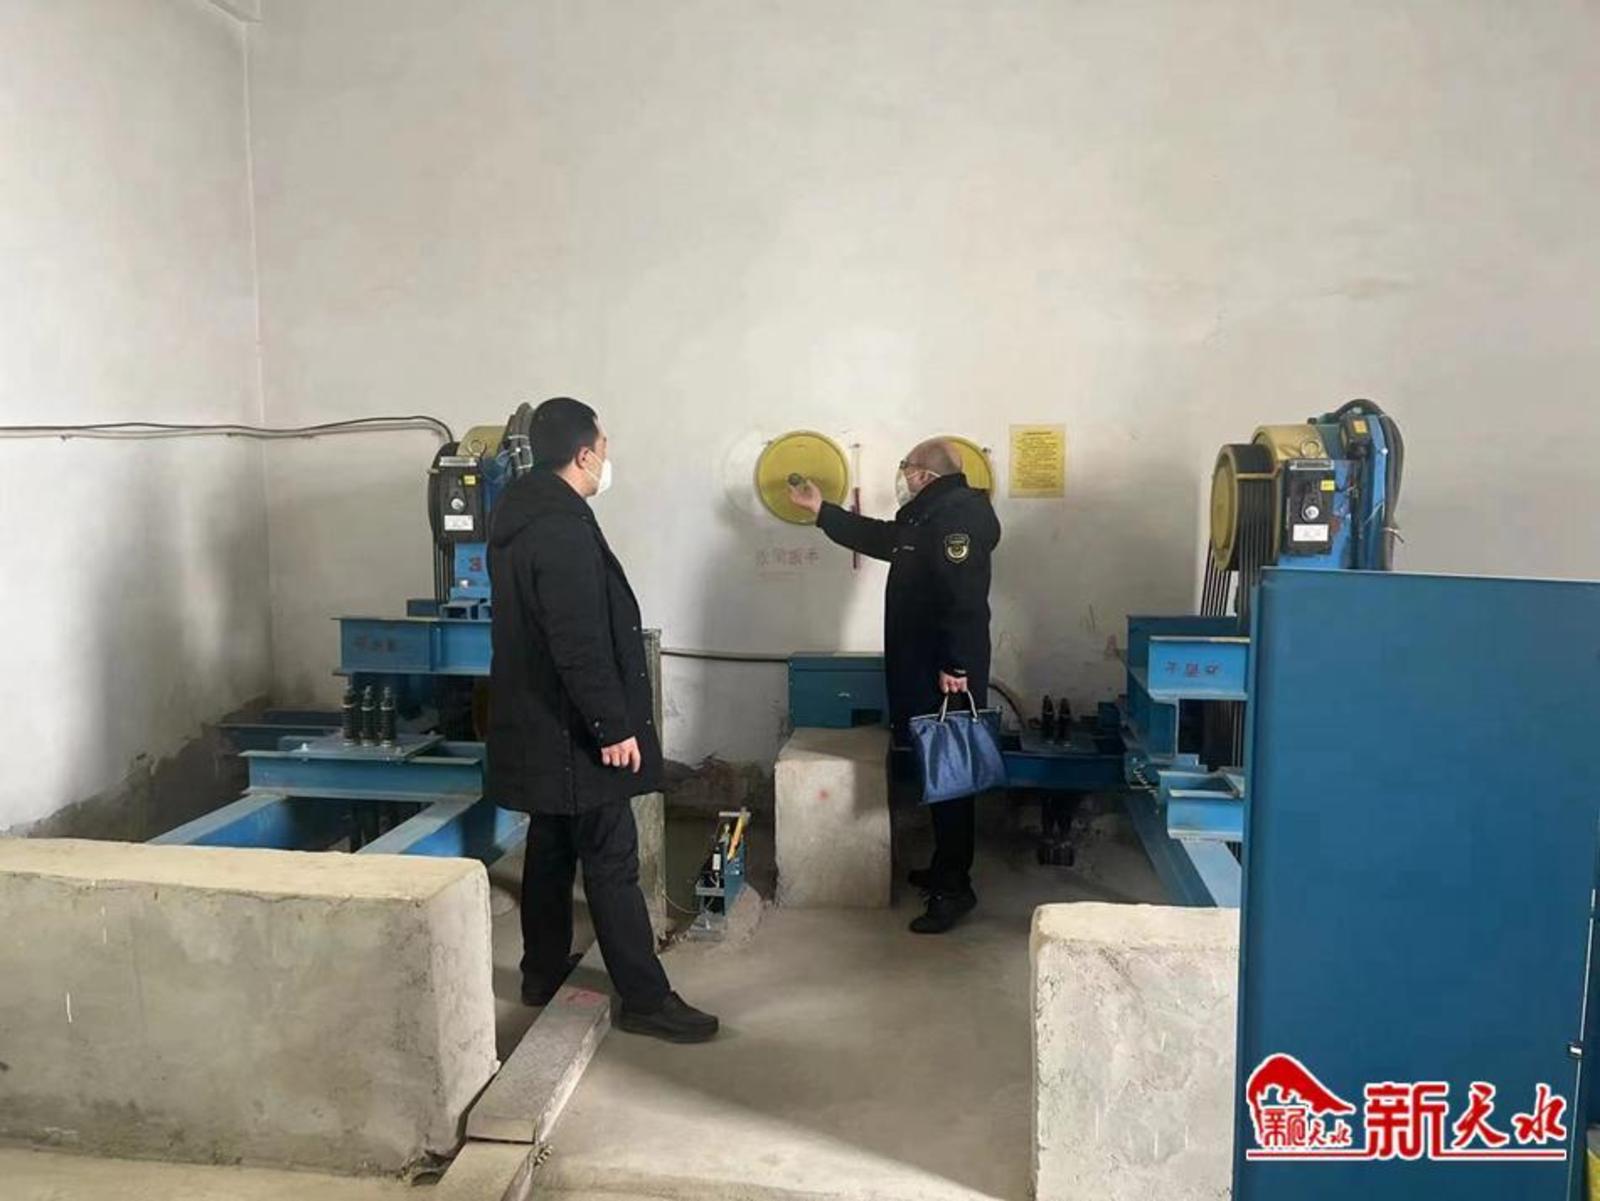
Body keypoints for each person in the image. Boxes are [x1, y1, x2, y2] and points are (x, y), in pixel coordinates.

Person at [487, 397, 718, 1043]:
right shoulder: (560, 528)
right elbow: (578, 642)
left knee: (551, 847)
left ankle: (541, 973)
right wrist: (612, 727)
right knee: (612, 861)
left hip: (541, 726)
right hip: (574, 733)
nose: (607, 461)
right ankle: (645, 997)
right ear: (584, 454)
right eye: (605, 449)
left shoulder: (520, 515)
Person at [788, 439, 1002, 934]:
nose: (901, 476)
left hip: (945, 671)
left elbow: (963, 598)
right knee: (937, 768)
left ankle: (955, 888)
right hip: (927, 665)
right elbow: (885, 538)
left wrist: (956, 665)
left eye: (905, 467)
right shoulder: (929, 515)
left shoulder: (957, 519)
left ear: (925, 474)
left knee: (952, 774)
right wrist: (822, 511)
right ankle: (945, 868)